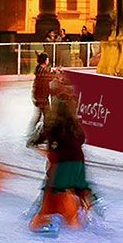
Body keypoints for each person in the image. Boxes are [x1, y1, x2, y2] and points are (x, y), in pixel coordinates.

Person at [27, 88, 96, 231]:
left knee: (52, 189)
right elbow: (81, 139)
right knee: (79, 187)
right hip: (79, 163)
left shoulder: (52, 125)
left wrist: (36, 144)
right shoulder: (75, 125)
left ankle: (47, 218)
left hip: (62, 164)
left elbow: (38, 139)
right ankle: (86, 212)